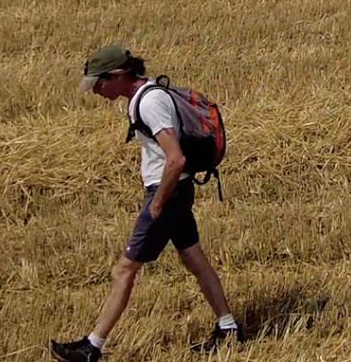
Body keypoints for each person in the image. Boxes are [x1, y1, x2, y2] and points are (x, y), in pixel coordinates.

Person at [51, 45, 240, 360]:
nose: (96, 91)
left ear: (119, 75)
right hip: (175, 192)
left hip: (167, 194)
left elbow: (176, 159)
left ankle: (92, 347)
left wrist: (157, 205)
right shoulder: (146, 96)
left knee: (124, 269)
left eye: (99, 83)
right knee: (193, 258)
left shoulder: (149, 103)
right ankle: (229, 326)